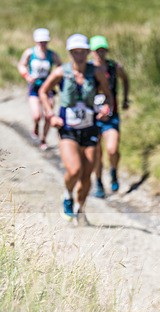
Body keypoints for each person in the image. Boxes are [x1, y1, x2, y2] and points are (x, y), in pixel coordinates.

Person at [39, 34, 113, 222]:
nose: (79, 56)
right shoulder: (61, 72)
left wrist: (107, 109)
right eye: (75, 52)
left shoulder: (95, 72)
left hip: (90, 128)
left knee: (87, 174)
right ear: (70, 53)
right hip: (68, 129)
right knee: (74, 170)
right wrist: (50, 114)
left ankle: (80, 207)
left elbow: (108, 94)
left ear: (88, 52)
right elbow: (43, 91)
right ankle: (67, 195)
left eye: (82, 52)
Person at [89, 35, 130, 198]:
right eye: (97, 50)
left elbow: (125, 79)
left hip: (111, 115)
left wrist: (125, 98)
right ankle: (98, 182)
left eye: (103, 50)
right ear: (91, 52)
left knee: (112, 149)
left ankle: (113, 171)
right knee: (97, 152)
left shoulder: (114, 67)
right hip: (92, 117)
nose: (100, 53)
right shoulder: (88, 69)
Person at [17, 28, 61, 150]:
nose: (43, 44)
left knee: (48, 115)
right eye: (40, 41)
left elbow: (60, 67)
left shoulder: (52, 55)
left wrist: (55, 79)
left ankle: (43, 139)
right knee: (37, 115)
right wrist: (27, 75)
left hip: (47, 88)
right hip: (34, 87)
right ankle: (36, 125)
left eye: (44, 41)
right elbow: (21, 65)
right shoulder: (30, 53)